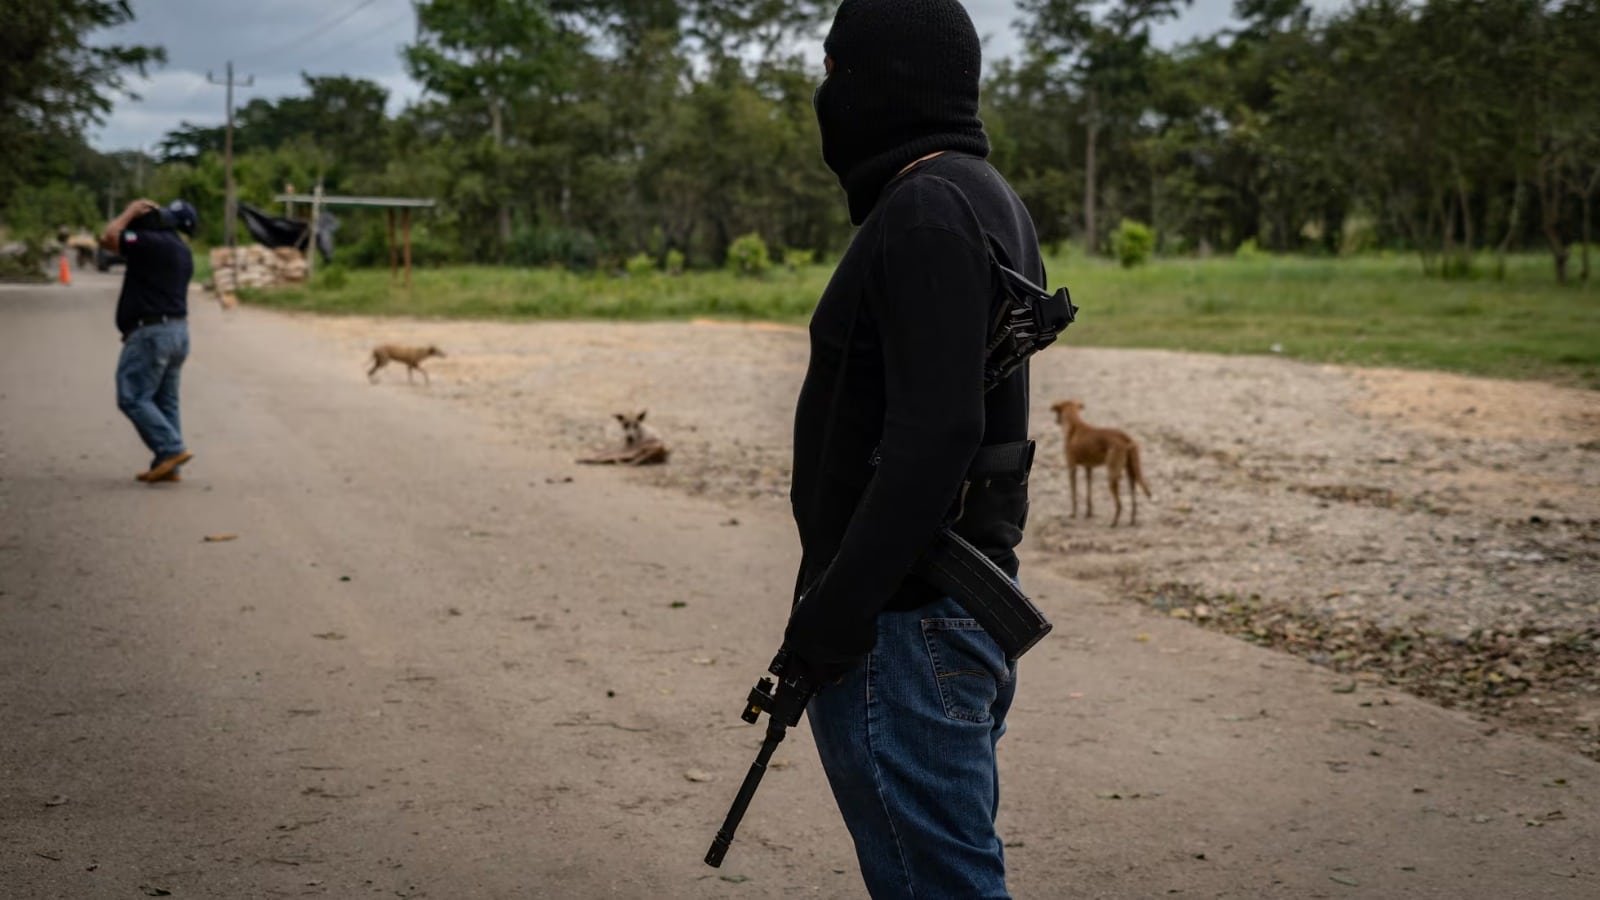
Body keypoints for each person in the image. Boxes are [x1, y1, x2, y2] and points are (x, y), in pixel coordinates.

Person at [781, 1, 1049, 896]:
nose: (826, 95)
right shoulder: (979, 195)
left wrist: (835, 614)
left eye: (835, 71)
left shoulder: (928, 208)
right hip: (937, 611)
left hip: (903, 625)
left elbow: (938, 435)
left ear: (884, 80)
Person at [101, 198, 198, 483]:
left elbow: (109, 238)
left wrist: (129, 212)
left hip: (152, 333)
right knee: (166, 401)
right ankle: (168, 465)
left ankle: (171, 449)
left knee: (132, 397)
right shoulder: (182, 249)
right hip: (178, 331)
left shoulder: (150, 242)